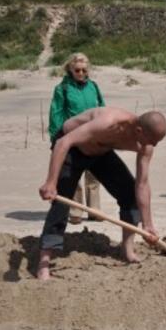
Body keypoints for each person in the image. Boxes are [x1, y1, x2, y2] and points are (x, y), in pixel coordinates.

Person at [36, 107, 166, 281]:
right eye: (152, 140)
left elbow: (142, 184)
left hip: (100, 152)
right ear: (139, 131)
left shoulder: (146, 145)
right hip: (71, 148)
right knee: (62, 202)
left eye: (158, 141)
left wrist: (147, 224)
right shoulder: (109, 122)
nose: (154, 145)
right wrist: (51, 182)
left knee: (130, 195)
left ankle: (128, 250)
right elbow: (63, 143)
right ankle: (43, 263)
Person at [48, 53, 105, 224]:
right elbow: (56, 113)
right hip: (72, 137)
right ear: (70, 69)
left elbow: (102, 108)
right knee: (72, 174)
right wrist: (55, 137)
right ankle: (76, 211)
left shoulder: (93, 86)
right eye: (77, 70)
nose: (80, 73)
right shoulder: (62, 88)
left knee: (94, 174)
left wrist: (106, 130)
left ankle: (94, 210)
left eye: (84, 70)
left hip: (93, 135)